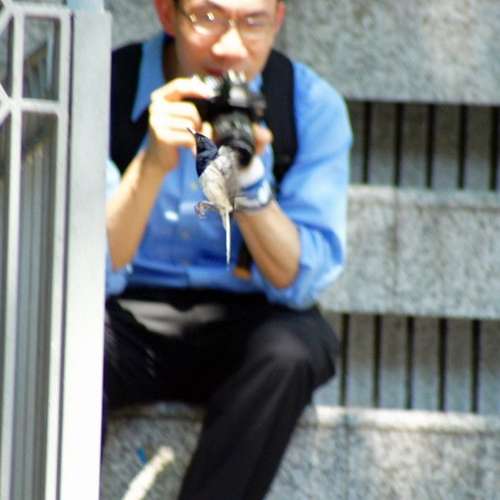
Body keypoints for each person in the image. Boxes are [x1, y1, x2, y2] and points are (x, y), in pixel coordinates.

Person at [103, 0, 352, 498]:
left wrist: (248, 181)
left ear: (278, 19)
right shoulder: (102, 87)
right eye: (208, 17)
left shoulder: (309, 105)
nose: (230, 46)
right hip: (124, 315)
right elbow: (87, 268)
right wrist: (152, 163)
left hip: (244, 318)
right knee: (62, 335)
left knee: (295, 350)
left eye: (253, 21)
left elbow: (298, 280)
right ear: (167, 14)